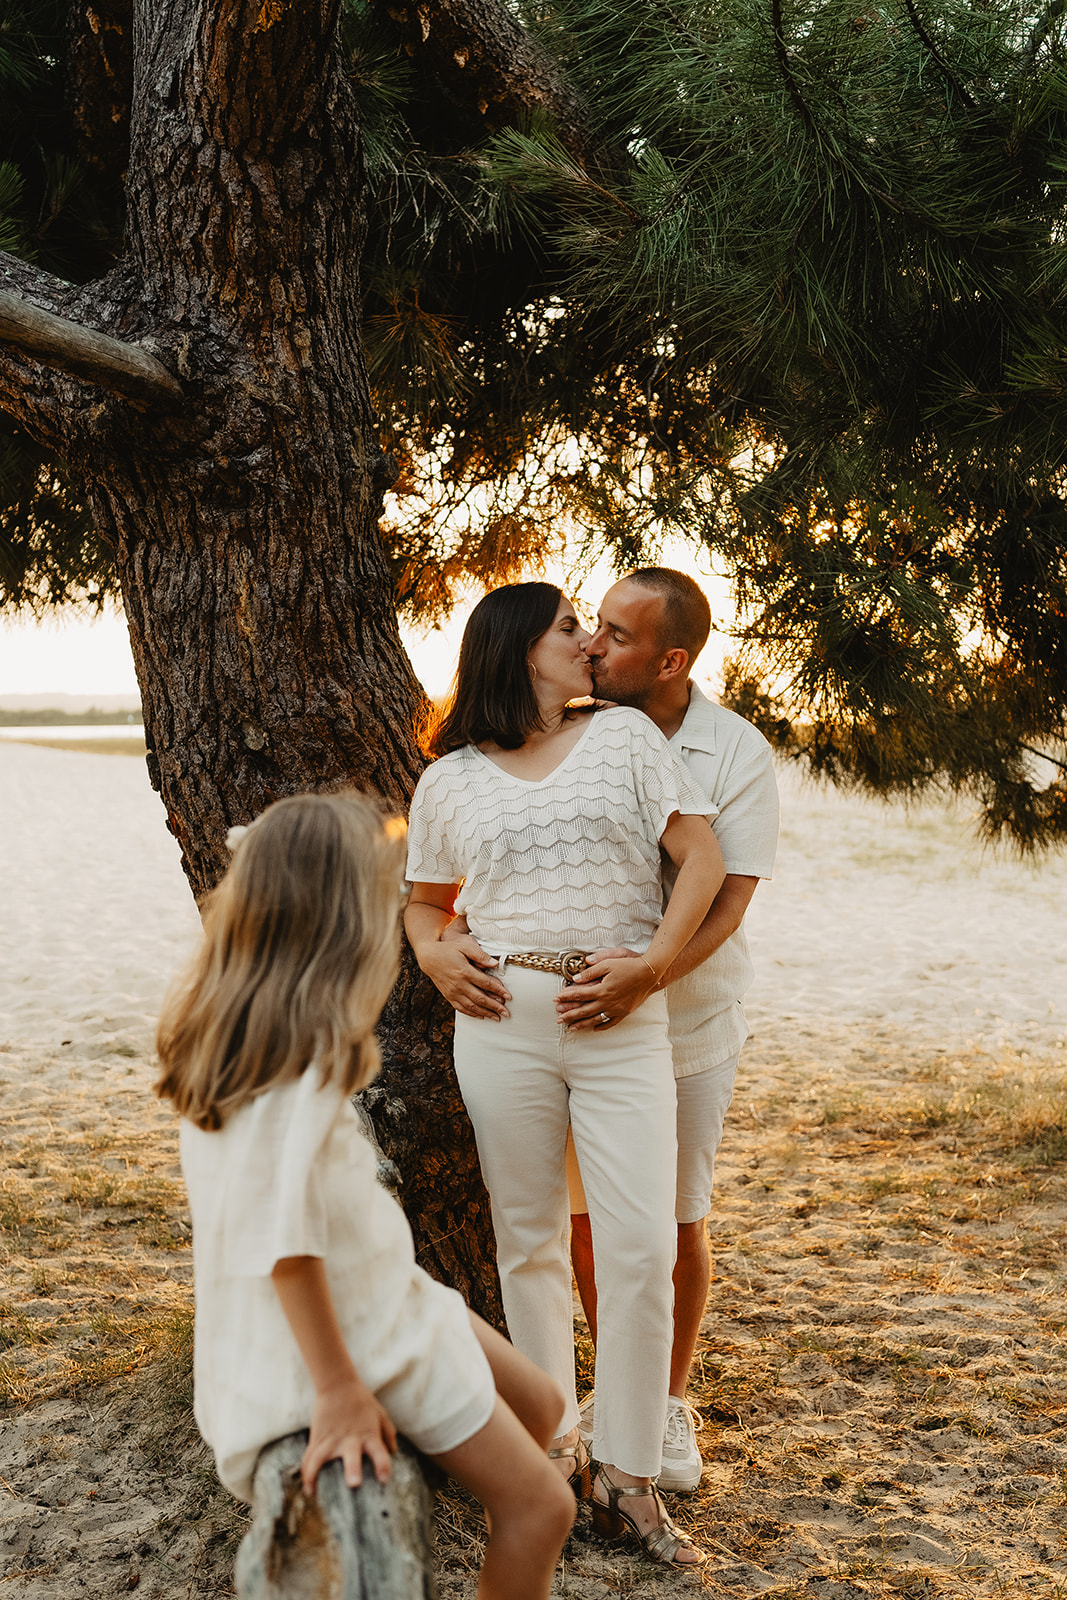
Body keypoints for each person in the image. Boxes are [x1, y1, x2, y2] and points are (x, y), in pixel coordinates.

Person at [155, 792, 575, 1600]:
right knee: (541, 1509)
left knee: (543, 1403)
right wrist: (340, 1391)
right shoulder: (294, 1070)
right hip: (366, 1337)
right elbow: (284, 1244)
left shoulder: (243, 1035)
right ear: (342, 925)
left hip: (391, 1294)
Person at [404, 581, 725, 1568]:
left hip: (621, 1018)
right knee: (527, 1243)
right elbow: (424, 903)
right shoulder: (449, 778)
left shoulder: (624, 739)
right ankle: (552, 1457)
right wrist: (431, 953)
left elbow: (701, 858)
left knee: (634, 1245)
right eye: (568, 628)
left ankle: (627, 1472)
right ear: (517, 649)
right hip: (502, 1024)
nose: (589, 641)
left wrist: (651, 966)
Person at [556, 568, 780, 1493]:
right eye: (593, 626)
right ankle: (621, 1392)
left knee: (679, 1216)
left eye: (615, 633)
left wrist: (651, 975)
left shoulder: (733, 752)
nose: (594, 646)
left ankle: (671, 1400)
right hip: (577, 1023)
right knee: (584, 1222)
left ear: (672, 658)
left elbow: (729, 896)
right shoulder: (569, 726)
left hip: (688, 1019)